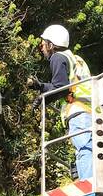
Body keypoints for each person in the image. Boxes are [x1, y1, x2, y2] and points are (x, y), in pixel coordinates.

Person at [33, 24, 94, 183]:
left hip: (77, 110)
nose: (42, 47)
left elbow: (61, 89)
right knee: (89, 147)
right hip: (91, 111)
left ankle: (88, 184)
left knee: (84, 148)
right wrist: (40, 87)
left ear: (51, 44)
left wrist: (42, 99)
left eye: (44, 43)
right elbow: (66, 85)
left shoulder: (57, 57)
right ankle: (89, 180)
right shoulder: (75, 58)